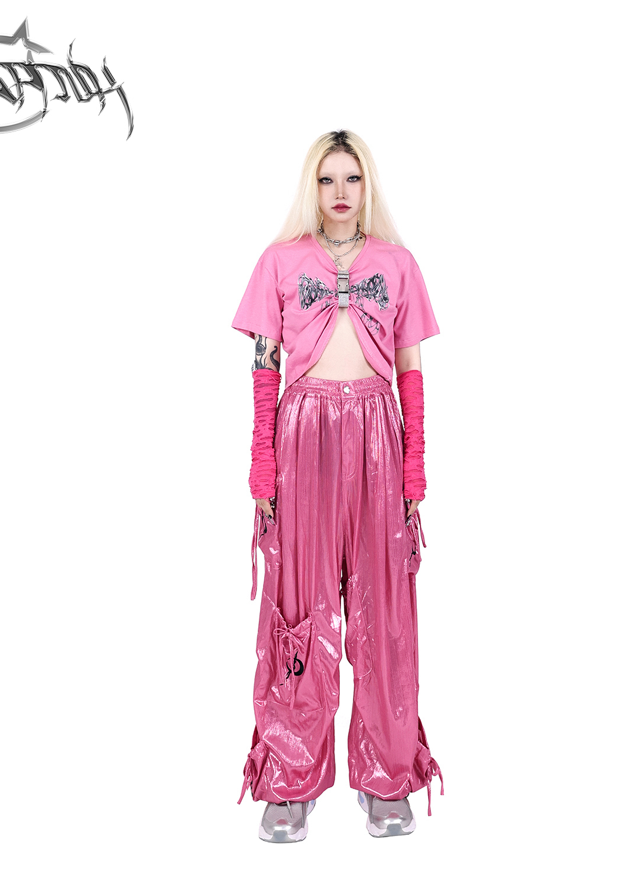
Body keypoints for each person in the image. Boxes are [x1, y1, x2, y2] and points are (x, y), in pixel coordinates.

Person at [231, 129, 444, 843]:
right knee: (301, 603)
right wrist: (262, 462)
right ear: (311, 187)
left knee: (384, 610)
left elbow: (410, 369)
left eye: (352, 178)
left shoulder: (398, 264)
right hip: (304, 433)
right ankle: (290, 777)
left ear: (368, 184)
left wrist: (414, 464)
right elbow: (264, 369)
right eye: (327, 179)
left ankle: (387, 775)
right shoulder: (279, 261)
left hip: (378, 434)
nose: (341, 192)